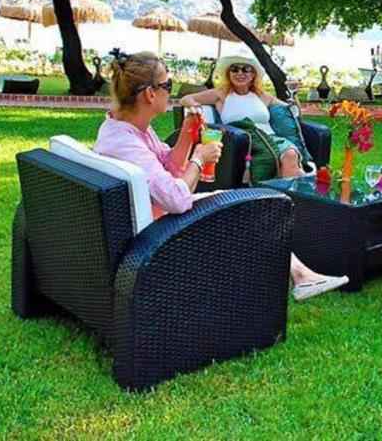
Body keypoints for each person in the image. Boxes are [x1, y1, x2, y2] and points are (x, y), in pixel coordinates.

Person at [94, 51, 348, 301]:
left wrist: (187, 133)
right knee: (248, 209)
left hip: (159, 220)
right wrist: (199, 159)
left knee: (247, 204)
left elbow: (169, 168)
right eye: (167, 85)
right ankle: (296, 277)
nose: (170, 91)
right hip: (157, 238)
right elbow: (175, 199)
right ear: (150, 94)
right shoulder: (125, 143)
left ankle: (300, 275)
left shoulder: (130, 129)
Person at [180, 54, 304, 177]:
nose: (240, 73)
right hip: (243, 142)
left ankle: (293, 185)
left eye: (246, 69)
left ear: (253, 74)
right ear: (229, 73)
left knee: (290, 155)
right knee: (280, 164)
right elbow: (186, 99)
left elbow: (292, 110)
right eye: (234, 69)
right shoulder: (221, 94)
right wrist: (195, 108)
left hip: (271, 139)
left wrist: (295, 94)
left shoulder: (262, 96)